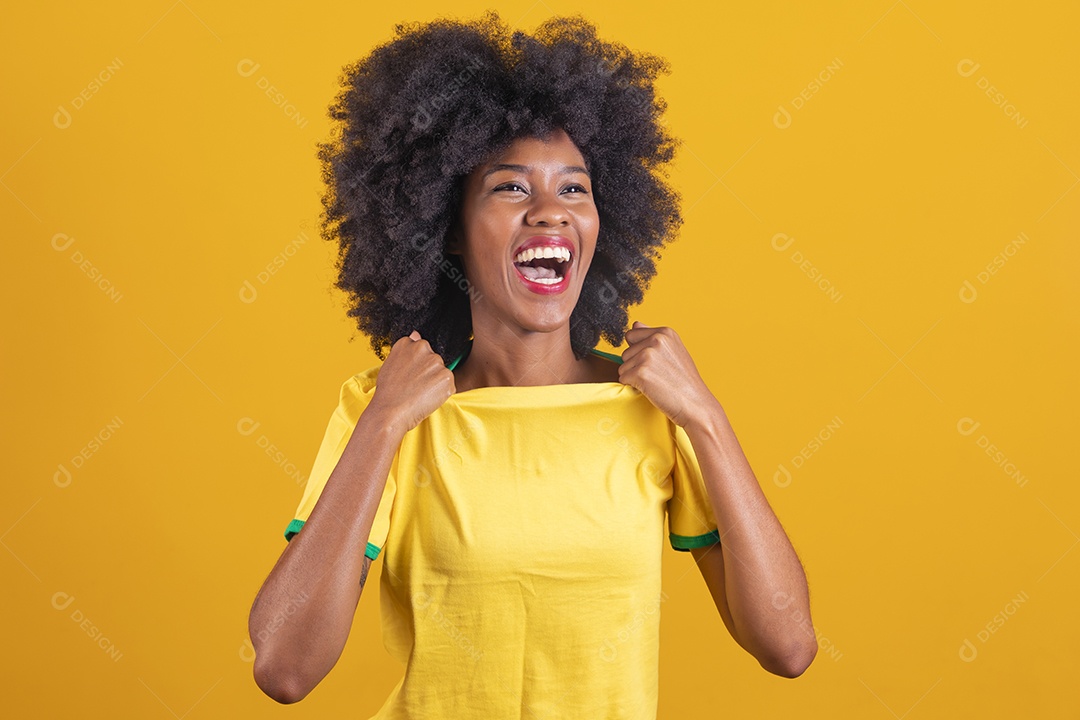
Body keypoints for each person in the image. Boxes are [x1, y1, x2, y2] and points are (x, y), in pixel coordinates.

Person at [248, 11, 816, 717]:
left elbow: (788, 647)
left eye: (574, 188)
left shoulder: (656, 410)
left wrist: (706, 416)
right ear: (447, 230)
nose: (550, 212)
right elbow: (284, 666)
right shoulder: (387, 409)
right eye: (512, 188)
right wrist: (384, 422)